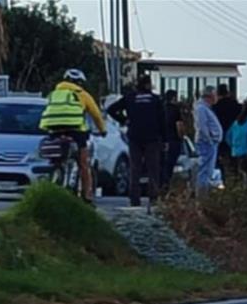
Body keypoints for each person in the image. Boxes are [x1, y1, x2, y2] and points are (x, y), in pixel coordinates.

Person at [38, 68, 106, 204]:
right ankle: (87, 195)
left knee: (56, 156)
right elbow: (96, 115)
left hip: (54, 129)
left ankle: (56, 170)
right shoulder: (82, 94)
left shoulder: (53, 94)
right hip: (75, 130)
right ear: (80, 83)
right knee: (84, 163)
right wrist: (103, 130)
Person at [106, 75, 166, 207]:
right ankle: (153, 198)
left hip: (134, 137)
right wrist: (164, 139)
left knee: (135, 168)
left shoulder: (130, 97)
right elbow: (162, 120)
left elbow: (111, 110)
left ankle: (134, 198)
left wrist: (124, 120)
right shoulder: (155, 99)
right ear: (148, 85)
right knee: (153, 169)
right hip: (152, 138)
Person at [194, 86, 223, 195]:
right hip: (207, 143)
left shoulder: (205, 108)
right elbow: (202, 125)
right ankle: (202, 195)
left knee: (208, 170)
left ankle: (204, 192)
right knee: (205, 170)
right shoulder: (201, 108)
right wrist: (209, 139)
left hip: (210, 143)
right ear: (210, 96)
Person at [226, 101, 247, 186]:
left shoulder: (236, 123)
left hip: (236, 152)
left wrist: (234, 146)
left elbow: (228, 136)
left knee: (240, 175)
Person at [212, 84, 241, 182]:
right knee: (234, 161)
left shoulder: (215, 107)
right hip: (235, 136)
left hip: (219, 137)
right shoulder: (236, 106)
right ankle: (235, 179)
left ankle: (222, 180)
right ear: (228, 92)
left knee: (220, 161)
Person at [161, 90, 185, 189]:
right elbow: (179, 126)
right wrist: (181, 137)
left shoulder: (161, 109)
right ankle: (167, 184)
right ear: (174, 98)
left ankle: (161, 184)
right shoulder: (175, 110)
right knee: (170, 164)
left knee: (162, 164)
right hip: (173, 140)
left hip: (161, 140)